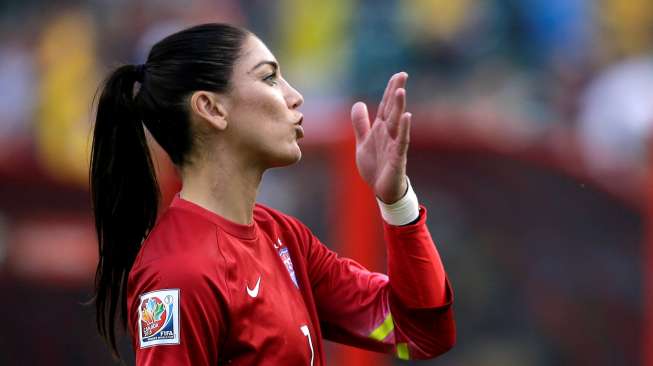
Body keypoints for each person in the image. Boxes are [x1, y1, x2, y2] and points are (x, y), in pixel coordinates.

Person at [90, 23, 455, 365]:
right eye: (269, 78)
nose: (295, 97)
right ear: (211, 108)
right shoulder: (178, 273)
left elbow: (420, 335)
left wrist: (396, 201)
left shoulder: (284, 239)